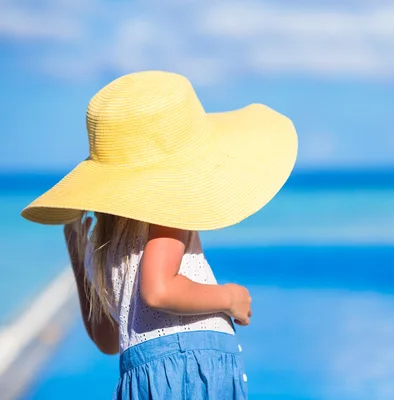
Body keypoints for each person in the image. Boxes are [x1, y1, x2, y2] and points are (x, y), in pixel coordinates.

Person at [21, 70, 298, 399]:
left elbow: (109, 339)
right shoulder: (168, 206)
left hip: (142, 375)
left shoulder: (109, 240)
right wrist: (230, 298)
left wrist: (78, 255)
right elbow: (159, 289)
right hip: (190, 366)